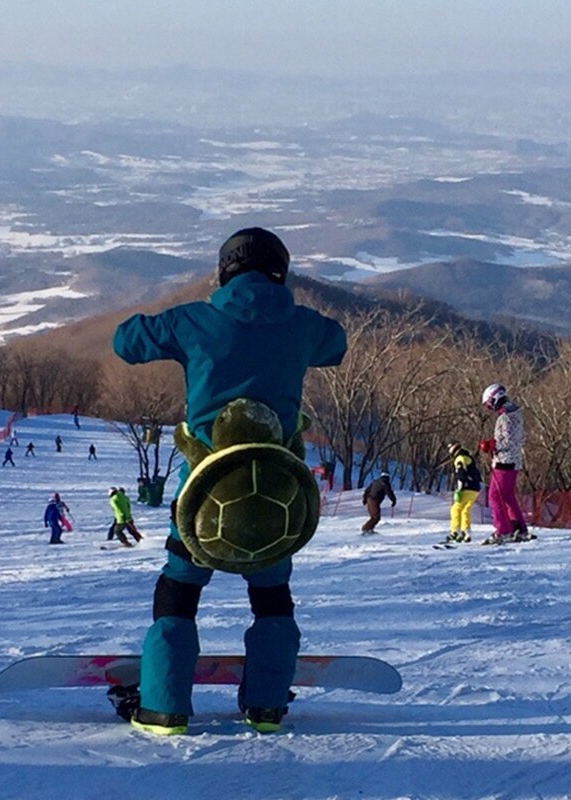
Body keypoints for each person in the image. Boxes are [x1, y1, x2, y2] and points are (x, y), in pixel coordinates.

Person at [113, 226, 346, 735]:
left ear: (225, 272)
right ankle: (266, 706)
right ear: (280, 272)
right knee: (272, 597)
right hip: (277, 501)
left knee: (178, 591)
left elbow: (125, 341)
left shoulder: (195, 321)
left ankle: (164, 708)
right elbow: (338, 343)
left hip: (203, 498)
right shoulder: (303, 326)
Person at [479, 383, 531, 545]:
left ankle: (503, 530)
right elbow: (517, 437)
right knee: (507, 495)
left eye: (489, 404)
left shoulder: (506, 417)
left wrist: (491, 445)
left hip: (505, 461)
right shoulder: (515, 414)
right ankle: (518, 527)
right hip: (513, 460)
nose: (489, 408)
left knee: (495, 496)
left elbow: (508, 440)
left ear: (496, 399)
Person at [445, 443, 481, 543]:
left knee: (455, 509)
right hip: (475, 488)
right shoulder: (468, 457)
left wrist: (459, 488)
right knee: (465, 510)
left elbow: (461, 473)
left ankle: (455, 532)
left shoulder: (459, 458)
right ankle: (466, 532)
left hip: (466, 487)